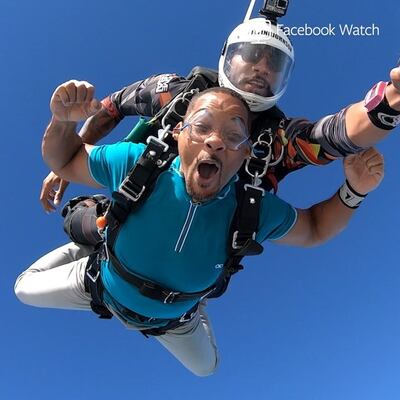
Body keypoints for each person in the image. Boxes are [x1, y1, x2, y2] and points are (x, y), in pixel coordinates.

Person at [15, 83, 384, 376]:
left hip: (174, 320)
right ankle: (96, 242)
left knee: (207, 369)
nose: (215, 140)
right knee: (23, 288)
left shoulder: (250, 208)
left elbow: (316, 228)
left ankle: (126, 255)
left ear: (244, 154)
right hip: (97, 282)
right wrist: (62, 121)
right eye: (202, 127)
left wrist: (355, 190)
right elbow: (65, 159)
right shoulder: (137, 164)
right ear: (178, 134)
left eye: (233, 135)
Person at [40, 17, 400, 211]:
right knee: (82, 221)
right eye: (252, 55)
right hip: (133, 199)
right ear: (227, 56)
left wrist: (389, 102)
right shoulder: (175, 93)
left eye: (274, 62)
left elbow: (332, 135)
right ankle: (94, 217)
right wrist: (71, 155)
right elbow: (114, 105)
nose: (262, 67)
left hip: (203, 255)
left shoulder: (275, 139)